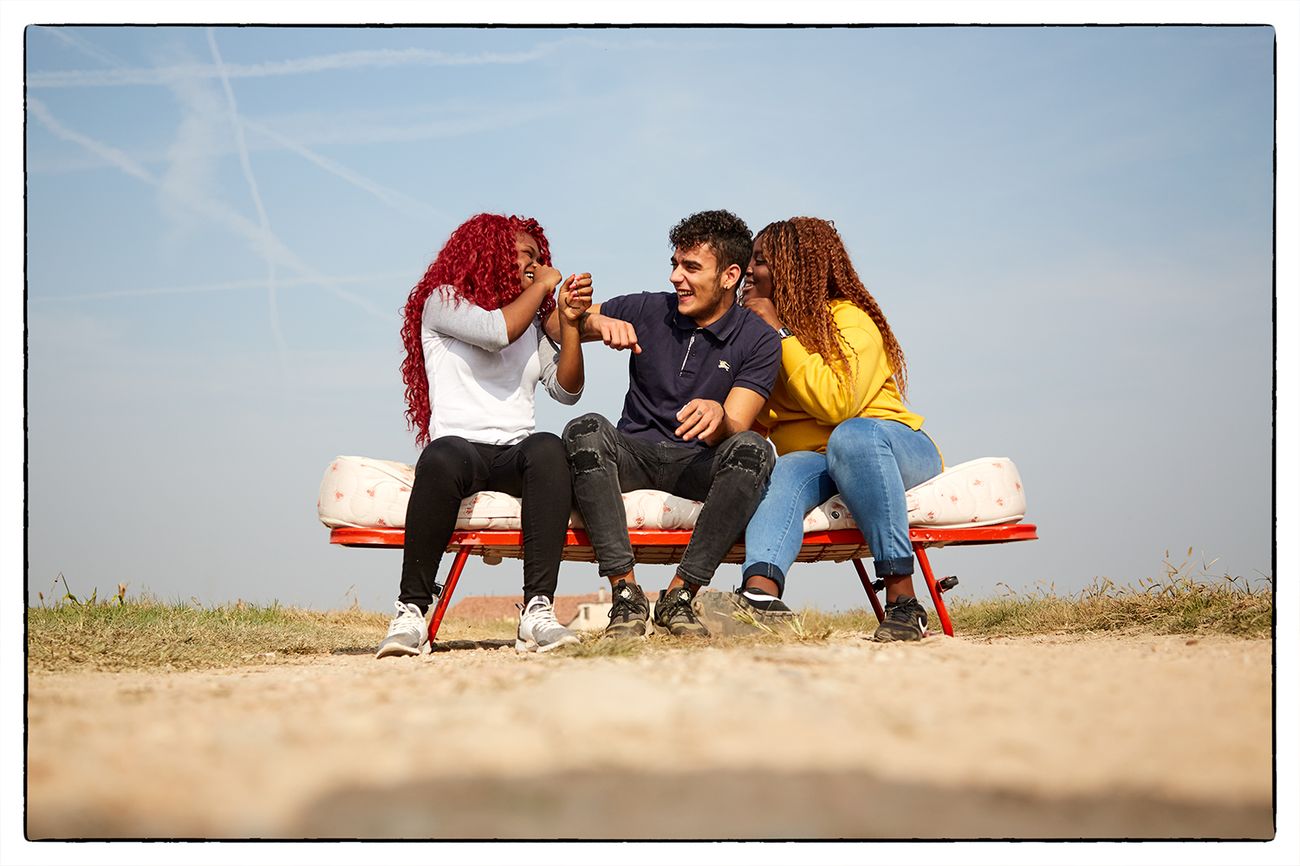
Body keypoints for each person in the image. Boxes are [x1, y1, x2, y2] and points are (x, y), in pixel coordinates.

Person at [377, 213, 593, 658]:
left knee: (549, 448)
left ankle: (537, 610)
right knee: (439, 458)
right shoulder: (444, 301)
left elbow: (567, 390)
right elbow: (496, 334)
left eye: (537, 258)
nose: (532, 266)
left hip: (514, 450)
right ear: (489, 254)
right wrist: (544, 289)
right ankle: (411, 611)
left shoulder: (532, 321)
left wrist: (569, 324)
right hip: (460, 450)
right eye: (522, 255)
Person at [562, 210, 781, 638]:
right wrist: (587, 319)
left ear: (730, 275)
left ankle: (679, 596)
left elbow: (737, 420)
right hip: (634, 453)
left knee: (754, 449)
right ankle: (625, 596)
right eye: (675, 264)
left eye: (692, 267)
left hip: (698, 463)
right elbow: (558, 323)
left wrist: (720, 420)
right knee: (583, 428)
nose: (676, 277)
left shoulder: (759, 339)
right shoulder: (647, 308)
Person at [738, 217, 942, 642]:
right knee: (786, 470)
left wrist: (779, 332)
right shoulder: (764, 337)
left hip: (888, 445)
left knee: (851, 436)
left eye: (760, 261)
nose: (748, 271)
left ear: (793, 269)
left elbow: (837, 403)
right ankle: (759, 599)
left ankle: (904, 602)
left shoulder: (849, 319)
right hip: (819, 460)